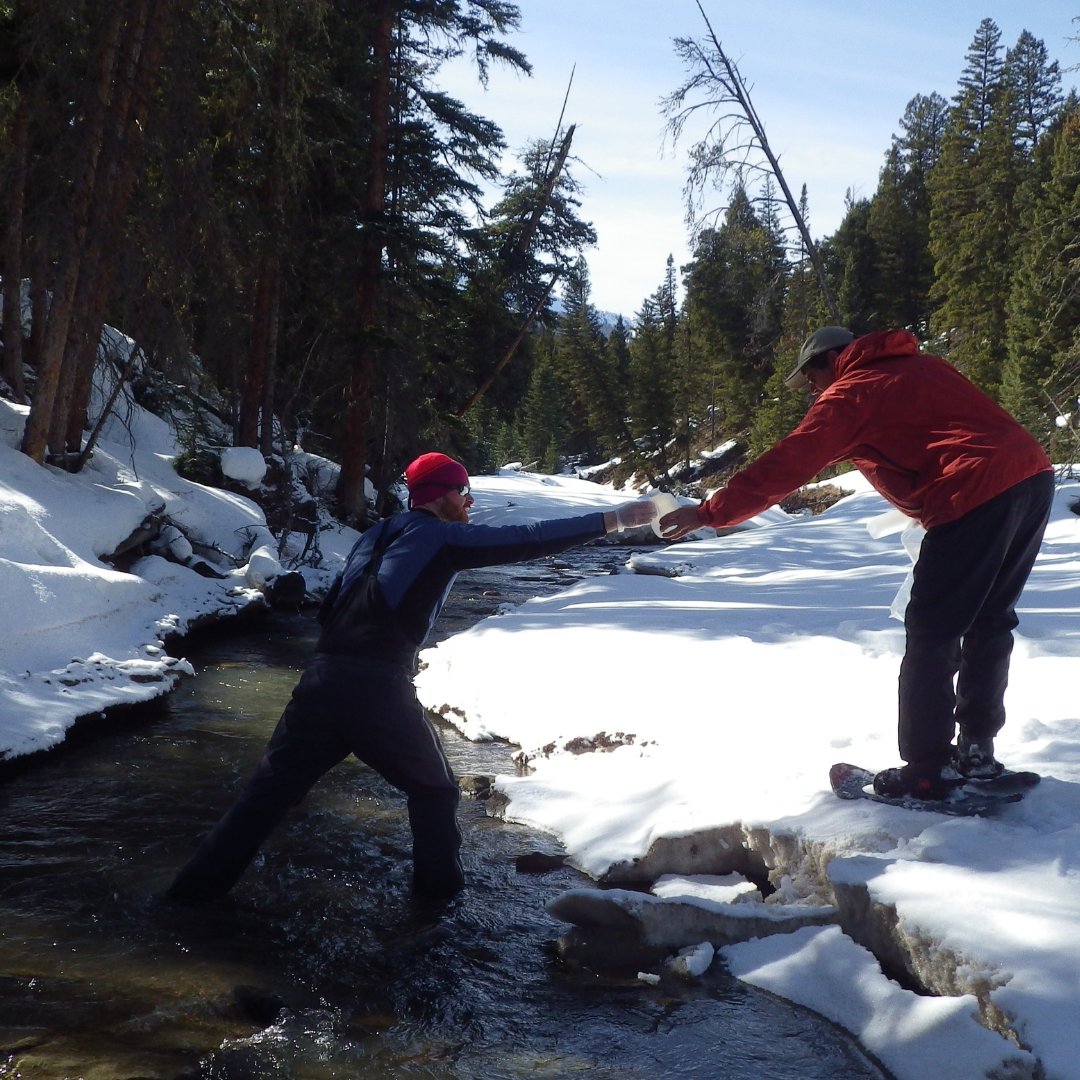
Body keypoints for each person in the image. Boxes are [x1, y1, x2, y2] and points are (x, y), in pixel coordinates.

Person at [167, 452, 655, 902]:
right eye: (464, 492)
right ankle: (435, 908)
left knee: (266, 797)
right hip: (376, 686)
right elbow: (526, 539)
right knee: (435, 791)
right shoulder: (441, 537)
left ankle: (188, 898)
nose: (469, 502)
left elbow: (331, 609)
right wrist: (613, 519)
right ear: (443, 495)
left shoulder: (374, 535)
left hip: (320, 678)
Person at [659, 327, 1054, 800]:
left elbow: (789, 462)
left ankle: (928, 771)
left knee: (932, 631)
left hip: (970, 490)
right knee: (989, 620)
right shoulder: (926, 367)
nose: (812, 390)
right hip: (1031, 478)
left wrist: (709, 513)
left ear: (831, 361)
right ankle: (977, 754)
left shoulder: (852, 393)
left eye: (811, 378)